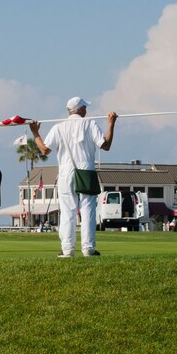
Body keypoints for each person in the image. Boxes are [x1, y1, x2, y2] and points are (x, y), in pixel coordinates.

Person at [29, 97, 117, 257]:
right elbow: (106, 145)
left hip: (65, 174)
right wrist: (111, 123)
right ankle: (88, 249)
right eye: (85, 107)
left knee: (68, 211)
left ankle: (68, 250)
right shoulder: (90, 124)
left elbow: (44, 150)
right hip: (87, 171)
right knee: (88, 210)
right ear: (81, 109)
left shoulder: (58, 127)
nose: (86, 110)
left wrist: (35, 133)